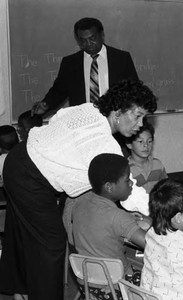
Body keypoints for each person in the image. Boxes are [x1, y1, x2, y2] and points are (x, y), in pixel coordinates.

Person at [0, 79, 157, 300]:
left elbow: (58, 118)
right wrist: (162, 210)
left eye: (144, 118)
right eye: (138, 115)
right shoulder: (104, 142)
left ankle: (20, 291)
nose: (140, 124)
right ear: (117, 111)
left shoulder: (89, 109)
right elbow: (129, 192)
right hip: (29, 177)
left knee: (21, 231)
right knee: (51, 245)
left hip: (18, 159)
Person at [72, 153, 146, 299]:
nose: (131, 183)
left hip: (87, 284)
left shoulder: (80, 203)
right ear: (109, 187)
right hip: (115, 287)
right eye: (127, 180)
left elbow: (97, 223)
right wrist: (150, 225)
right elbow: (152, 243)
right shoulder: (117, 217)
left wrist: (126, 220)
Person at [31, 17, 138, 115]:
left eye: (92, 38)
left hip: (116, 120)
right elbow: (59, 91)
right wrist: (46, 104)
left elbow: (134, 90)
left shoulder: (121, 58)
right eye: (83, 40)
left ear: (102, 35)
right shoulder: (70, 63)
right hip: (83, 122)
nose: (88, 43)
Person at [126, 119, 168, 193]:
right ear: (129, 144)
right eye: (140, 141)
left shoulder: (157, 164)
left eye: (149, 141)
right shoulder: (126, 169)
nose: (146, 145)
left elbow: (166, 188)